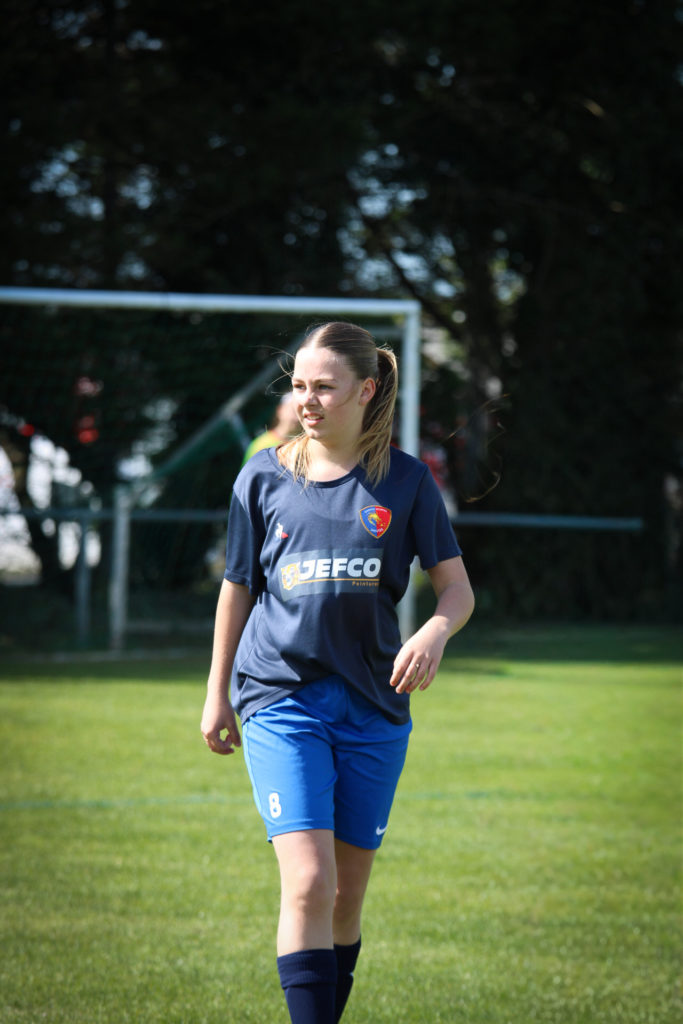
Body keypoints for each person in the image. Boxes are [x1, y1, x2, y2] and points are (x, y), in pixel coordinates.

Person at [201, 321, 474, 1024]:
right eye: (298, 385)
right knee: (309, 883)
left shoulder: (406, 481)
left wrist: (434, 631)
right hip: (279, 697)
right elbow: (237, 588)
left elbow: (457, 589)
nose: (307, 400)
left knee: (345, 899)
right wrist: (216, 693)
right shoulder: (262, 475)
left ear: (366, 390)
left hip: (374, 705)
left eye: (324, 386)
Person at [241, 393, 300, 464]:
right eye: (293, 411)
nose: (297, 418)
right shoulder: (261, 445)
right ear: (280, 410)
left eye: (301, 412)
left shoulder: (305, 446)